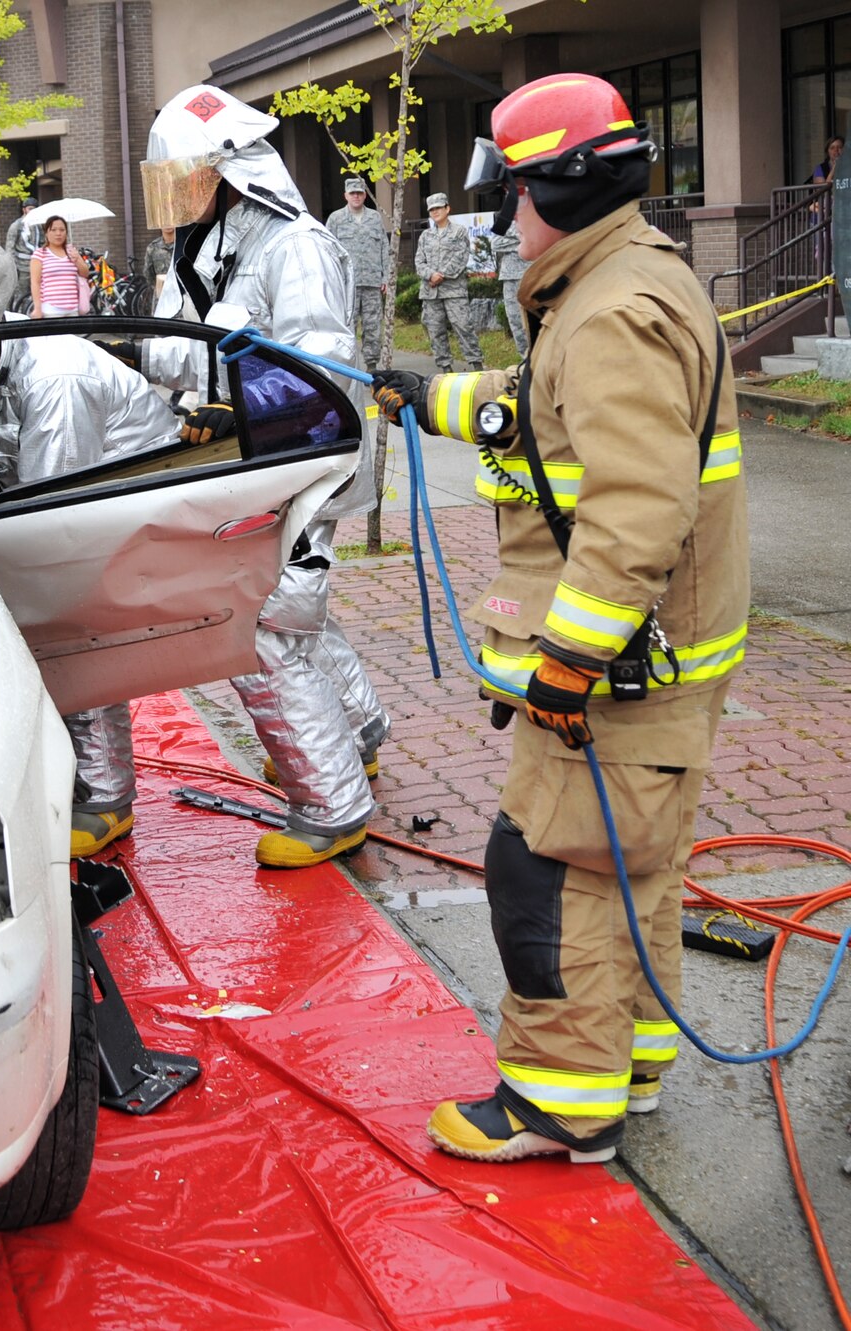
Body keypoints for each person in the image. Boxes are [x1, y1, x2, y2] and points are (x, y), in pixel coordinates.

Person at [370, 73, 747, 1165]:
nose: (502, 220)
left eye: (514, 194)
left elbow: (635, 507)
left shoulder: (610, 311)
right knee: (629, 862)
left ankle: (554, 1101)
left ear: (566, 186)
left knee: (553, 860)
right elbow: (540, 411)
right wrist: (427, 395)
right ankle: (623, 1062)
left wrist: (570, 660)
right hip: (657, 654)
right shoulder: (614, 281)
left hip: (622, 664)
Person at [139, 82, 390, 869]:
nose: (177, 195)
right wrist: (133, 348)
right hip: (255, 455)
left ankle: (333, 806)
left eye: (188, 174)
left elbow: (326, 368)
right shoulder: (210, 245)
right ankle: (358, 729)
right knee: (299, 603)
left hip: (302, 455)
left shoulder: (294, 246)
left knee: (266, 619)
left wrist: (244, 415)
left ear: (231, 168)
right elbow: (201, 348)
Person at [0, 228, 189, 856]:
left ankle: (105, 795)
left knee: (73, 629)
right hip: (68, 497)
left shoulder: (58, 377)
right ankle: (363, 727)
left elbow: (56, 519)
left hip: (137, 497)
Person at [415, 193, 483, 374]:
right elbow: (419, 262)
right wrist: (430, 275)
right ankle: (445, 368)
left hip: (454, 291)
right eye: (432, 209)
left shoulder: (459, 231)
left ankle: (476, 365)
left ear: (447, 208)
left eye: (438, 208)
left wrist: (441, 275)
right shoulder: (425, 236)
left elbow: (460, 257)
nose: (435, 212)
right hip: (431, 293)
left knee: (463, 327)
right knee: (435, 331)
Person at [325, 178, 388, 373]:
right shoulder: (335, 219)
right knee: (347, 326)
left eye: (359, 193)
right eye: (352, 193)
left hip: (371, 282)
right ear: (345, 195)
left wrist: (385, 277)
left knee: (372, 327)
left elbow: (384, 248)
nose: (356, 197)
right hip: (347, 285)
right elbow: (327, 249)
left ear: (365, 195)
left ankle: (371, 366)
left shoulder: (375, 218)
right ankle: (349, 367)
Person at [30, 215, 93, 318]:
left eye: (62, 230)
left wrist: (77, 259)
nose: (58, 233)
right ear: (46, 233)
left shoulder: (71, 251)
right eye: (53, 230)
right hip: (51, 309)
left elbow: (85, 273)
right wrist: (37, 308)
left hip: (73, 308)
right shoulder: (40, 254)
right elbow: (35, 282)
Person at [490, 222, 532, 359]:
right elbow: (495, 243)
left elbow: (535, 241)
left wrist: (517, 241)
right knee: (515, 322)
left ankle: (538, 361)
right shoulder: (508, 220)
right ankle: (525, 361)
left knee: (533, 322)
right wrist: (522, 241)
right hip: (510, 277)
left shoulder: (534, 215)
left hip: (531, 274)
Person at [3, 199, 39, 303]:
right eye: (30, 209)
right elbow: (10, 247)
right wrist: (12, 266)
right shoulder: (17, 226)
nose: (33, 211)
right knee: (22, 293)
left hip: (37, 263)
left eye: (35, 209)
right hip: (22, 266)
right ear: (24, 210)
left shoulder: (39, 225)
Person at [140, 226, 175, 305]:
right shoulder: (153, 248)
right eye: (164, 221)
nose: (168, 224)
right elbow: (148, 273)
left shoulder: (184, 245)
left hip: (181, 296)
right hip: (161, 296)